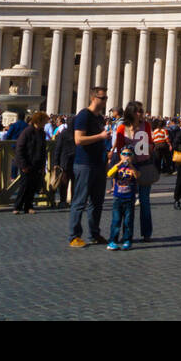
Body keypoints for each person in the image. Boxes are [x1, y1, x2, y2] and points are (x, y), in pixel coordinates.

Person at [68, 88, 110, 247]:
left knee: (97, 202)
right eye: (102, 98)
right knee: (80, 201)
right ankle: (74, 236)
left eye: (106, 97)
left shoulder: (99, 118)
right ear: (93, 98)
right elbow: (78, 139)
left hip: (98, 163)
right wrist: (100, 136)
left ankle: (94, 233)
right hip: (84, 163)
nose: (105, 101)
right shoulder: (84, 115)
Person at [112, 102, 156, 240]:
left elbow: (151, 144)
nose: (140, 113)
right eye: (138, 111)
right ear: (131, 113)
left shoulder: (146, 126)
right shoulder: (121, 128)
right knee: (126, 202)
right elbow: (119, 150)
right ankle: (125, 235)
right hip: (127, 169)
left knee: (144, 201)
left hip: (143, 166)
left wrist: (149, 147)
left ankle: (147, 233)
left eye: (141, 111)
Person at [12, 112, 49, 214]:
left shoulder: (42, 132)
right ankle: (17, 206)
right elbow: (20, 149)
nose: (45, 124)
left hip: (37, 163)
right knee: (24, 186)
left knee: (32, 186)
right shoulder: (27, 132)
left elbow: (42, 149)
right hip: (27, 163)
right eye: (44, 122)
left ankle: (28, 206)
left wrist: (42, 165)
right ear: (39, 121)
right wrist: (23, 164)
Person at [106, 146, 139, 250]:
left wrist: (131, 167)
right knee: (116, 220)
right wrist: (119, 164)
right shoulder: (118, 166)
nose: (126, 156)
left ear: (132, 156)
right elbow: (109, 174)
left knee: (128, 221)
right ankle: (112, 241)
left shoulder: (134, 166)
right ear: (120, 155)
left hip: (129, 198)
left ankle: (127, 240)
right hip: (117, 197)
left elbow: (138, 176)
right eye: (124, 154)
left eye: (129, 154)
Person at [51, 114, 75, 206]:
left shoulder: (63, 133)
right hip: (72, 160)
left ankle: (63, 200)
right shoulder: (75, 133)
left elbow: (58, 148)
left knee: (64, 182)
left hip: (65, 160)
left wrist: (56, 162)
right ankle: (72, 200)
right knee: (73, 182)